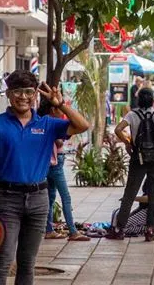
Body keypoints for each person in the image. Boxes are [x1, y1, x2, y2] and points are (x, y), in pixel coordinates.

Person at [0, 72, 90, 285]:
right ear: (9, 95)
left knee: (27, 263)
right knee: (3, 260)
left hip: (39, 199)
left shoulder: (47, 124)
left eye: (29, 92)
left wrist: (59, 104)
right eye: (17, 91)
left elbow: (82, 126)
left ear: (36, 95)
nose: (23, 97)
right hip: (7, 199)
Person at [107, 88, 154, 241]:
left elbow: (118, 129)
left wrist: (128, 143)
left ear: (139, 100)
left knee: (130, 193)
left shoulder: (132, 115)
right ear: (153, 100)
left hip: (138, 158)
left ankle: (119, 228)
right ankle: (150, 230)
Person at [39, 99, 88, 241]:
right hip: (55, 165)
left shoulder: (44, 121)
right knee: (65, 197)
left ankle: (49, 230)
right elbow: (59, 141)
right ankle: (73, 231)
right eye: (61, 109)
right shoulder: (50, 123)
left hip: (48, 164)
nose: (63, 113)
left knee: (50, 197)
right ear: (53, 110)